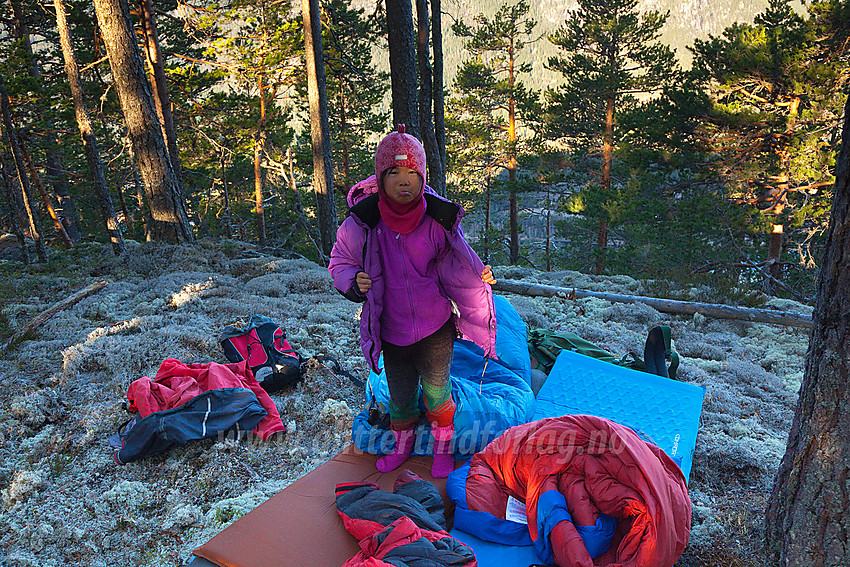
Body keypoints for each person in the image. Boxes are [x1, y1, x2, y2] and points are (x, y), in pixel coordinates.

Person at [328, 125, 497, 478]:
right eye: (394, 173)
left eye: (412, 174)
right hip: (391, 332)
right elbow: (340, 261)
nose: (404, 182)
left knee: (438, 396)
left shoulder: (437, 221)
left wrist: (477, 276)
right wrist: (353, 282)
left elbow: (457, 263)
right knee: (401, 398)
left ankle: (442, 450)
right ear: (380, 177)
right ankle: (402, 448)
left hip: (435, 329)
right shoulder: (364, 223)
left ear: (422, 177)